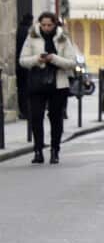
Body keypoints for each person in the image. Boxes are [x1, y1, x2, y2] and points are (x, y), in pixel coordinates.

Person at [18, 12, 79, 164]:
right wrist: (37, 59)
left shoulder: (63, 38)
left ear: (54, 24)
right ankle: (38, 150)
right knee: (36, 117)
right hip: (37, 83)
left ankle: (54, 150)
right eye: (43, 25)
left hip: (58, 84)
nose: (46, 28)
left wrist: (54, 58)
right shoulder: (32, 37)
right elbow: (22, 60)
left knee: (56, 118)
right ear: (39, 24)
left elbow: (72, 62)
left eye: (49, 25)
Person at [15, 13, 32, 120]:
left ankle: (23, 110)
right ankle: (26, 111)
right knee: (25, 88)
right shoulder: (27, 32)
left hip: (19, 63)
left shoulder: (19, 30)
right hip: (25, 64)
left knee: (22, 88)